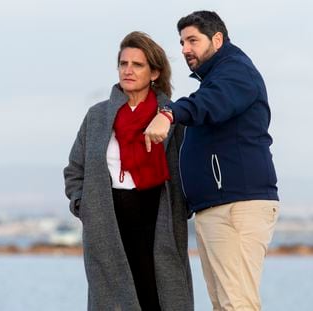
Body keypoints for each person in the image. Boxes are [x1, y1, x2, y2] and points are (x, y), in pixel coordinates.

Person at [144, 11, 279, 311]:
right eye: (181, 42)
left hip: (236, 206)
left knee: (236, 304)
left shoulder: (235, 72)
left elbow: (209, 104)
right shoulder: (217, 77)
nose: (184, 49)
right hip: (218, 206)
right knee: (224, 304)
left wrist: (168, 113)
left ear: (217, 39)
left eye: (192, 40)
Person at [64, 31, 193, 311]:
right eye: (124, 64)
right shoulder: (97, 116)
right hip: (107, 216)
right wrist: (82, 204)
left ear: (155, 73)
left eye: (137, 65)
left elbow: (188, 168)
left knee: (158, 295)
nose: (128, 70)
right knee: (113, 298)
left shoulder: (171, 116)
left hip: (157, 213)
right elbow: (75, 168)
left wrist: (184, 207)